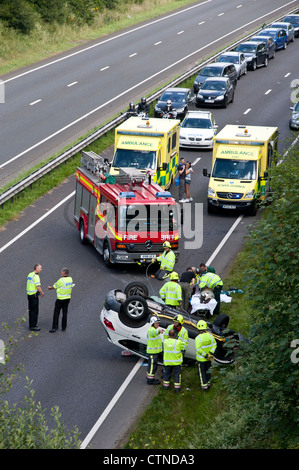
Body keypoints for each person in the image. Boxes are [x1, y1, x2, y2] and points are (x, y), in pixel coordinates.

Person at [48, 268, 75, 333]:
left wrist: (50, 287)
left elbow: (54, 287)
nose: (61, 272)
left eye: (61, 271)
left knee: (56, 312)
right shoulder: (70, 279)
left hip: (60, 299)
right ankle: (64, 327)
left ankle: (54, 327)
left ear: (63, 273)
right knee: (65, 313)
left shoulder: (61, 280)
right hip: (67, 298)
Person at [195, 320, 217, 391]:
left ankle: (204, 387)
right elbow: (214, 344)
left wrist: (205, 355)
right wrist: (210, 353)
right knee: (208, 371)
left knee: (202, 373)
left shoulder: (198, 338)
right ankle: (208, 383)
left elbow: (199, 349)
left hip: (201, 359)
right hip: (209, 358)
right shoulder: (210, 336)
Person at [146, 316, 164, 385]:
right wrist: (159, 331)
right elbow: (154, 332)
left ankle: (150, 378)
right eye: (157, 323)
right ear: (153, 323)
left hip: (154, 353)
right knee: (152, 367)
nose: (158, 324)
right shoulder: (152, 330)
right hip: (152, 353)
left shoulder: (153, 329)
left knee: (153, 366)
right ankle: (150, 380)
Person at [26, 264, 44, 331]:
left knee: (30, 310)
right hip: (34, 296)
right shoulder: (36, 276)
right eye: (40, 268)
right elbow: (38, 287)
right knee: (35, 311)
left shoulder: (30, 274)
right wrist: (42, 292)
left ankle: (31, 324)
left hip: (29, 294)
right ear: (36, 268)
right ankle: (33, 326)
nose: (41, 269)